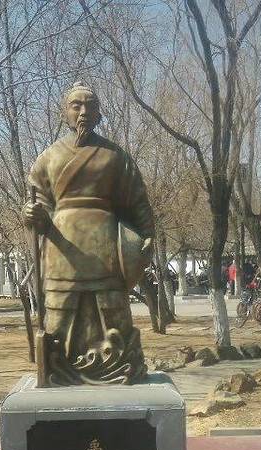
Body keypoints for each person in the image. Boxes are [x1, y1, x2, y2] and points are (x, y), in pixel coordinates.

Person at [23, 81, 154, 385]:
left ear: (99, 113)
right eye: (76, 105)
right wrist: (32, 215)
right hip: (61, 245)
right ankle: (57, 367)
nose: (83, 112)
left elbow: (136, 198)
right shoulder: (49, 157)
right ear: (65, 113)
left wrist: (147, 232)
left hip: (106, 244)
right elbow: (38, 199)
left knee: (114, 312)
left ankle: (120, 365)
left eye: (90, 106)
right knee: (58, 312)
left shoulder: (115, 156)